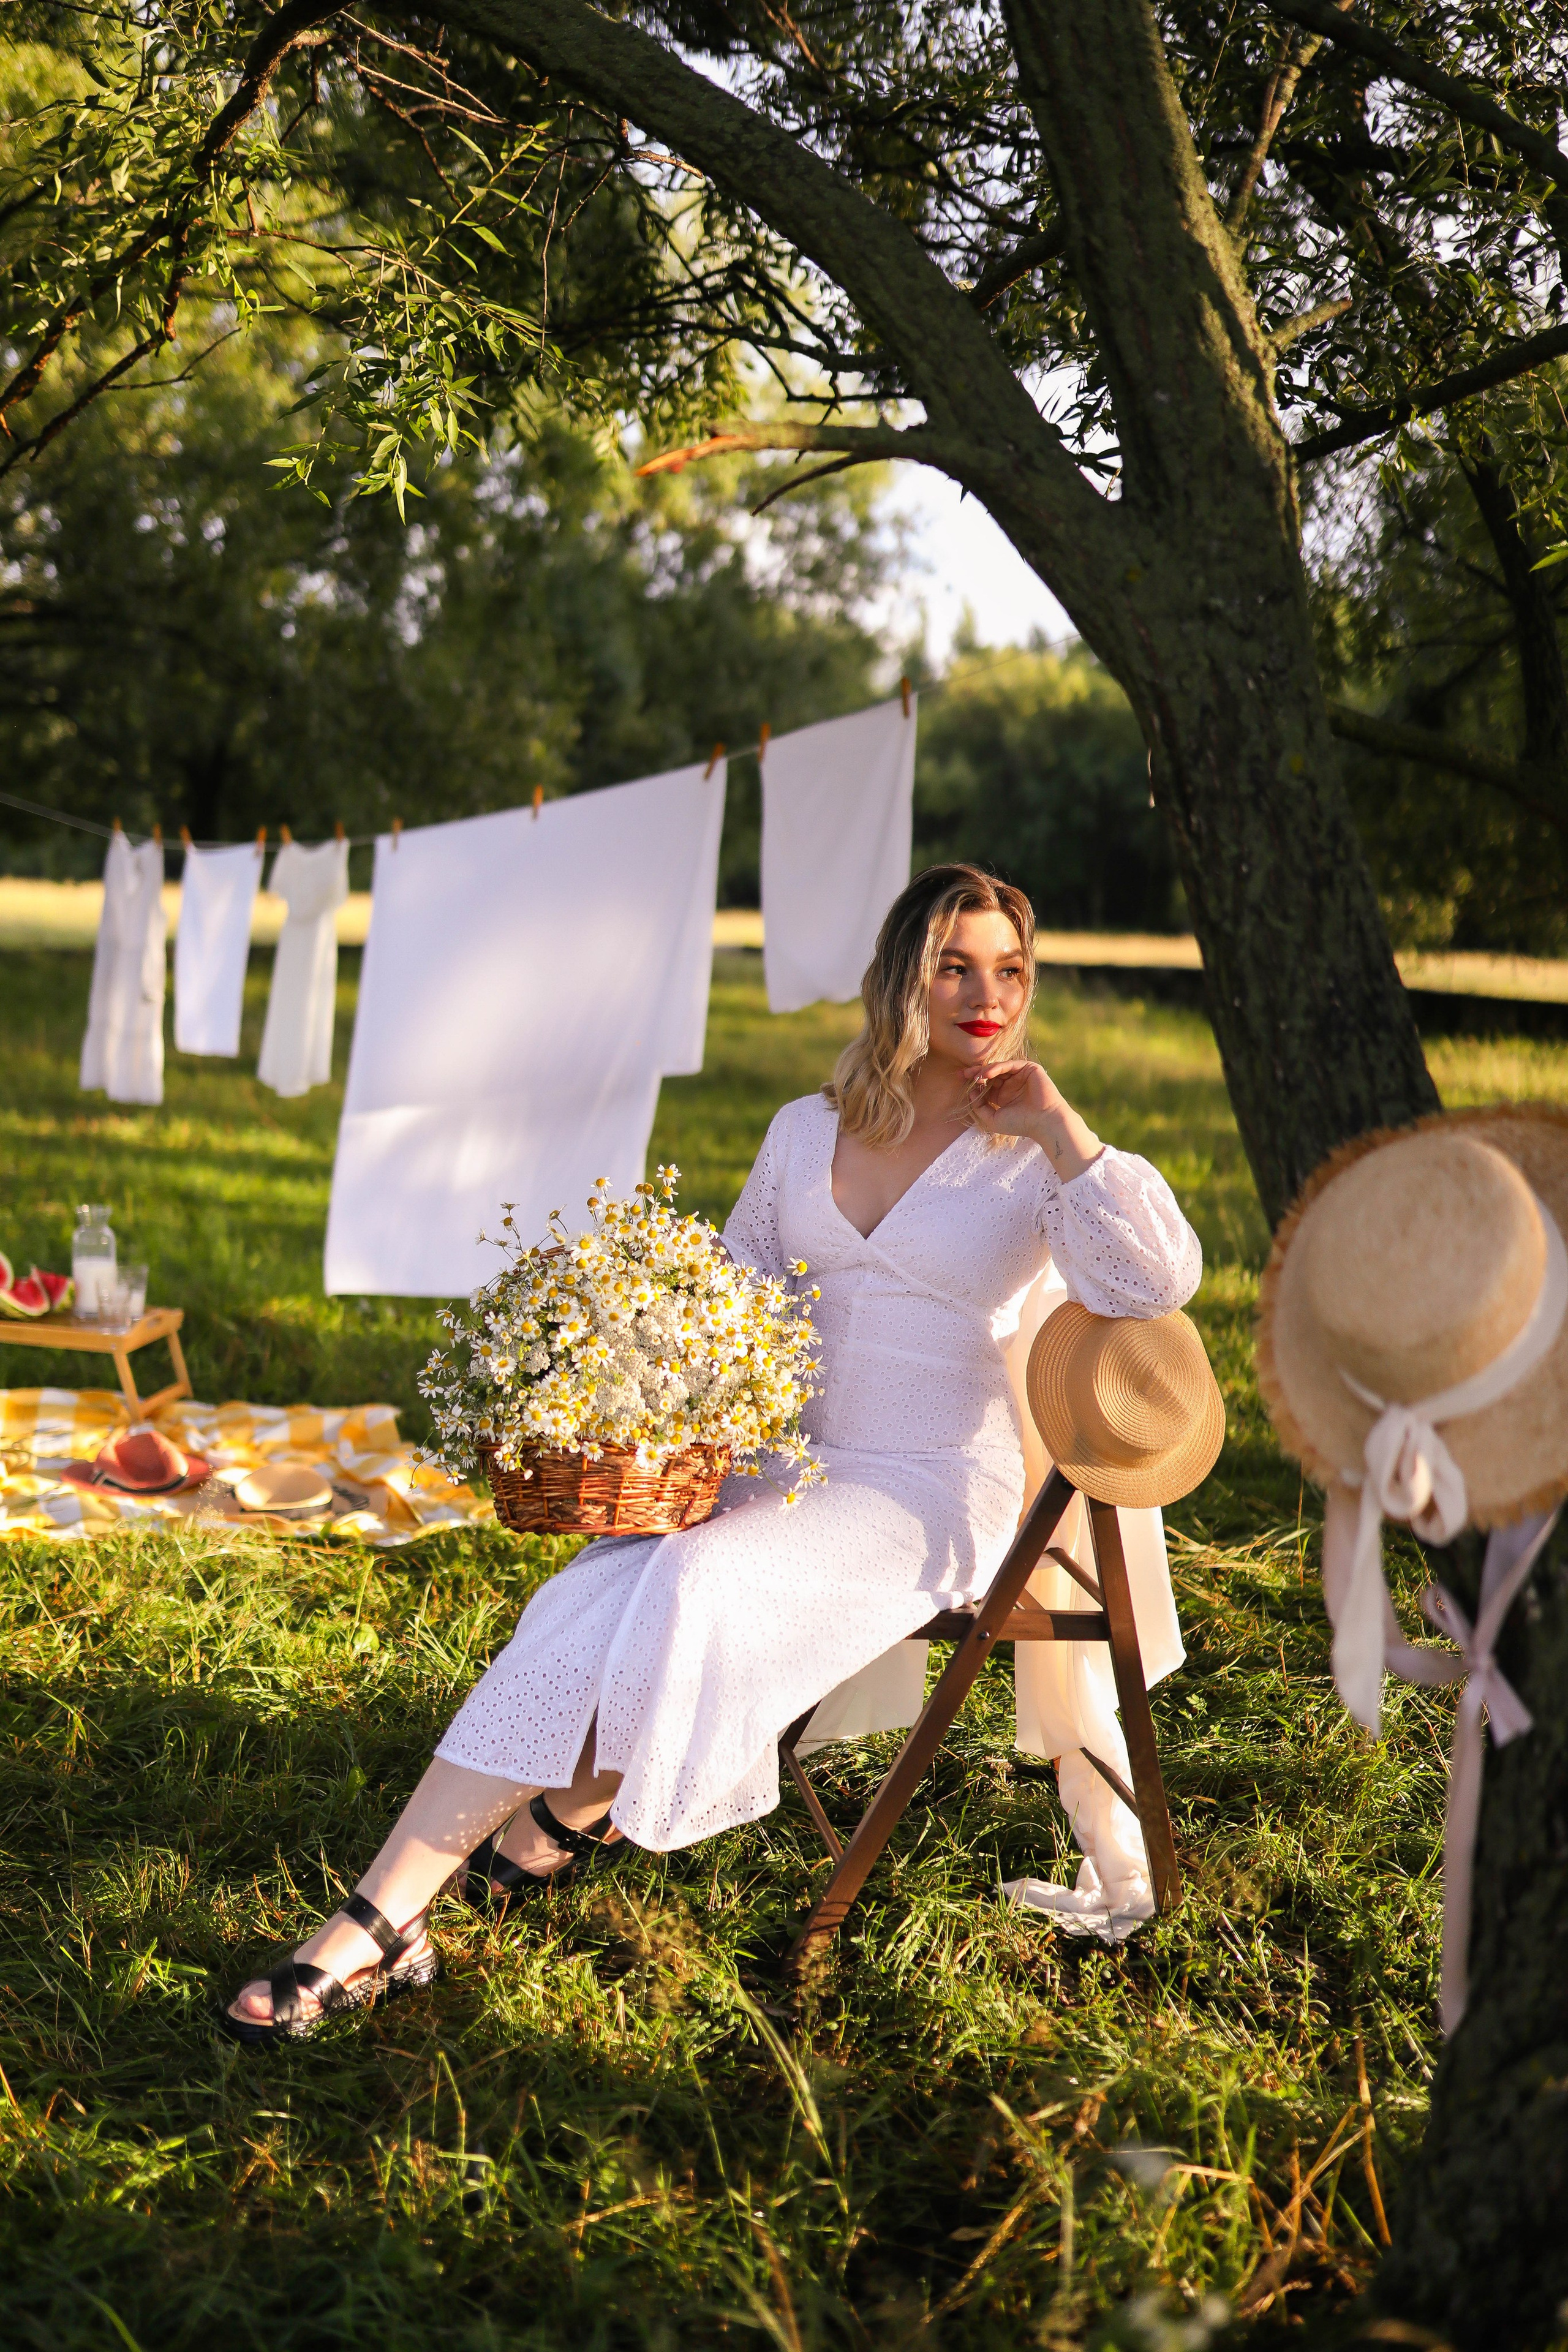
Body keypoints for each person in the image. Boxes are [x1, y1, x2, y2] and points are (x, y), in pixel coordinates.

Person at [222, 862, 1202, 2041]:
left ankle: (536, 1835)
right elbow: (730, 1290)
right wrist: (622, 1386)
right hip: (780, 1460)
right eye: (954, 965)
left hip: (934, 1486)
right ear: (903, 978)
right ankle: (385, 1920)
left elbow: (1156, 1282)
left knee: (693, 1584)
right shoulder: (806, 1130)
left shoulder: (1029, 1154)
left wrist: (1061, 1126)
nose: (984, 994)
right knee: (582, 1605)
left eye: (1009, 970)